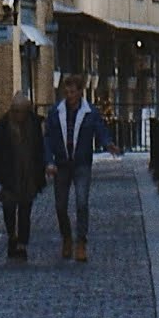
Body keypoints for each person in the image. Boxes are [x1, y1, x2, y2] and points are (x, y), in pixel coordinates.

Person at [44, 73, 105, 264]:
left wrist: (108, 143)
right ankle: (67, 237)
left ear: (80, 92)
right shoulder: (55, 112)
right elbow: (48, 139)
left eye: (72, 91)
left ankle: (81, 242)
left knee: (81, 202)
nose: (69, 95)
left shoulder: (90, 112)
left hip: (81, 163)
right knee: (60, 206)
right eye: (67, 91)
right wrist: (49, 161)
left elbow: (100, 130)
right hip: (62, 164)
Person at [0, 84, 47, 263]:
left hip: (28, 174)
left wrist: (44, 168)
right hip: (8, 173)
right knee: (9, 208)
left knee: (25, 210)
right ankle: (12, 235)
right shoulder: (3, 125)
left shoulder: (34, 125)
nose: (18, 115)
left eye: (21, 111)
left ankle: (22, 242)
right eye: (15, 111)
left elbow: (39, 149)